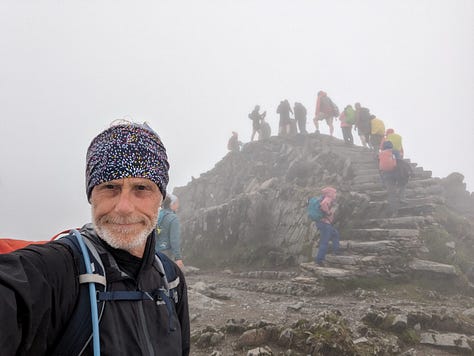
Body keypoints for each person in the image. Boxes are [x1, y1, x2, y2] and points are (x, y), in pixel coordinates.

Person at [0, 122, 190, 355]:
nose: (124, 207)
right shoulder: (60, 269)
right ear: (92, 195)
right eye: (110, 186)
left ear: (160, 197)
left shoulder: (171, 279)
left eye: (141, 188)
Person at [379, 140, 407, 216]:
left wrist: (382, 181)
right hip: (397, 173)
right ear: (391, 145)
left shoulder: (381, 154)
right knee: (403, 184)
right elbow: (400, 161)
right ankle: (401, 198)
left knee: (391, 193)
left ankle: (394, 211)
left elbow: (380, 168)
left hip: (387, 175)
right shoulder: (395, 151)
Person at [156, 194, 184, 269]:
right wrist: (178, 258)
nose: (178, 205)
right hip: (166, 253)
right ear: (172, 204)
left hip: (154, 253)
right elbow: (174, 240)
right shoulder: (173, 218)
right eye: (177, 203)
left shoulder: (157, 215)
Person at [314, 186, 340, 266]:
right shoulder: (328, 198)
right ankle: (319, 260)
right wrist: (328, 213)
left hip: (325, 223)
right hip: (325, 223)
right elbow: (323, 204)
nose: (335, 194)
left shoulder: (326, 198)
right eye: (334, 192)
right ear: (330, 193)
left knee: (335, 234)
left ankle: (336, 251)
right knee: (324, 242)